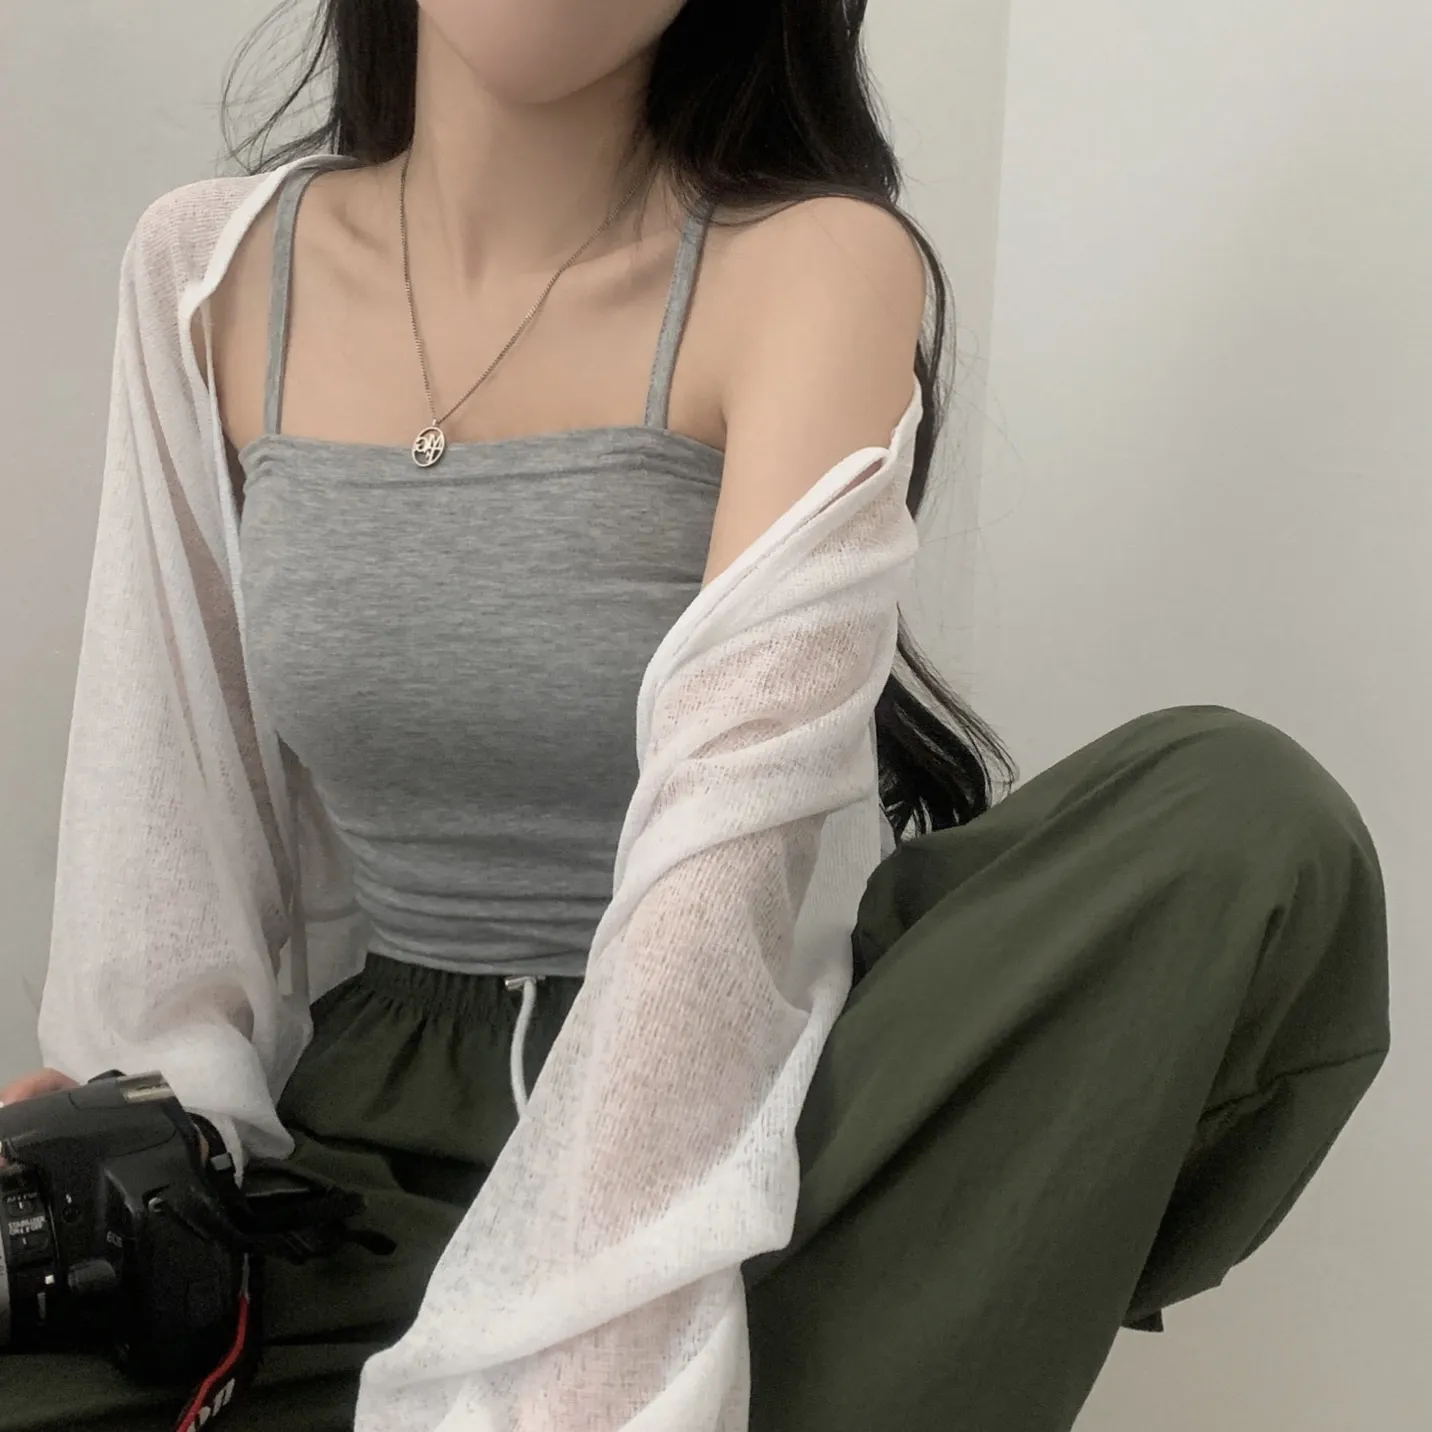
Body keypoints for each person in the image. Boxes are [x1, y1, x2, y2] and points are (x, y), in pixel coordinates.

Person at [0, 2, 1390, 1430]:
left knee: (1237, 818)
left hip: (749, 1140)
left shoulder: (812, 266)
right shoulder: (210, 274)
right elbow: (162, 843)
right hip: (353, 1179)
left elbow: (713, 900)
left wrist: (580, 1386)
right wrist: (134, 1165)